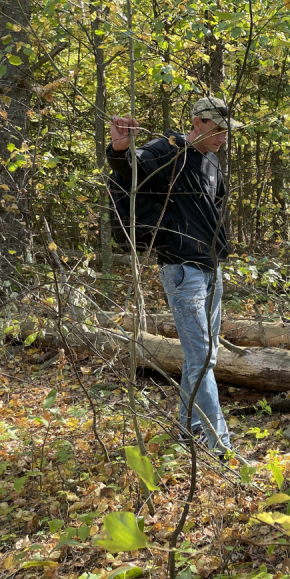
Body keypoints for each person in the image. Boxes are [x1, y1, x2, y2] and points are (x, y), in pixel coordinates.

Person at [107, 96, 244, 460]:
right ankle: (222, 448)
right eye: (216, 129)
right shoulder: (166, 151)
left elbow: (213, 209)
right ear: (197, 122)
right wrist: (120, 147)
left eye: (227, 131)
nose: (222, 137)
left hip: (212, 268)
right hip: (183, 271)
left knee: (206, 357)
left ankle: (189, 427)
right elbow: (129, 169)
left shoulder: (212, 162)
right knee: (201, 360)